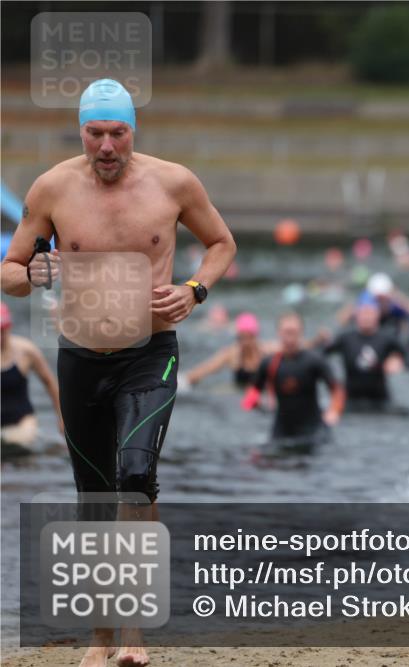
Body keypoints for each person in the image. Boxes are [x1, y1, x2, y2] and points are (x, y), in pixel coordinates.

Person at [0, 79, 237, 667]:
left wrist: (194, 290)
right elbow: (9, 269)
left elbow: (222, 244)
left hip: (149, 353)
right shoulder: (52, 188)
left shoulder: (174, 182)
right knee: (93, 500)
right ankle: (100, 637)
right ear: (82, 130)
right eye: (95, 132)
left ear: (134, 130)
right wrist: (38, 274)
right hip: (80, 358)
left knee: (135, 477)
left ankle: (132, 636)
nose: (106, 145)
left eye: (118, 132)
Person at [242, 312, 343, 451]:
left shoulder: (314, 360)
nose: (289, 337)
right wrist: (254, 402)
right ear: (279, 333)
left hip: (313, 430)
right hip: (282, 429)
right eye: (286, 332)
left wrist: (334, 411)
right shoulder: (269, 363)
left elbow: (336, 388)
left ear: (301, 333)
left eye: (293, 332)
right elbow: (253, 389)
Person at [321, 300, 406, 412]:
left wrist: (397, 359)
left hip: (380, 400)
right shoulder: (345, 338)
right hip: (351, 400)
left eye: (370, 313)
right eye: (363, 313)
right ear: (357, 316)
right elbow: (320, 355)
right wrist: (319, 341)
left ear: (378, 315)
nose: (366, 317)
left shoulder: (387, 338)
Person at [0, 302, 63, 451]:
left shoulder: (26, 351)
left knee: (18, 446)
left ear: (9, 327)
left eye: (2, 330)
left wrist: (62, 419)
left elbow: (50, 382)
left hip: (22, 421)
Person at [181, 312, 278, 390]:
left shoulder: (267, 351)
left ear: (255, 336)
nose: (246, 342)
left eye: (249, 337)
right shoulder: (232, 353)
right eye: (242, 338)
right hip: (240, 393)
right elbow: (207, 368)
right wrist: (185, 380)